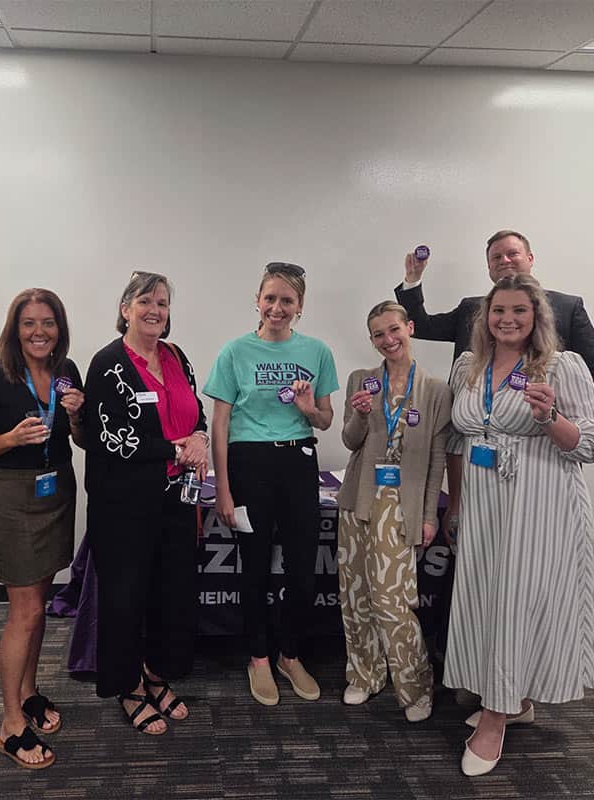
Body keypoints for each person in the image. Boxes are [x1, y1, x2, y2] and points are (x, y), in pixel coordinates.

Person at [443, 274, 594, 776]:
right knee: (488, 601)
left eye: (519, 311)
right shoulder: (469, 366)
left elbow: (586, 444)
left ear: (537, 318)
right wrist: (456, 503)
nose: (507, 319)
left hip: (539, 502)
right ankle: (514, 697)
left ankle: (494, 720)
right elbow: (460, 440)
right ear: (485, 317)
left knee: (517, 602)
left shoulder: (559, 366)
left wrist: (550, 416)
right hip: (485, 502)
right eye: (498, 311)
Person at [0, 289, 84, 769]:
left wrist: (75, 414)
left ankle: (29, 693)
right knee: (26, 612)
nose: (39, 332)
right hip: (13, 496)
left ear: (59, 328)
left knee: (41, 600)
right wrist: (10, 438)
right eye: (29, 323)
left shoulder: (66, 372)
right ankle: (10, 723)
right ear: (15, 328)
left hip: (57, 492)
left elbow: (83, 439)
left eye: (48, 323)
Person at [204, 262, 338, 706]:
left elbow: (325, 420)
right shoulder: (235, 352)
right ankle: (258, 656)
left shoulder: (317, 351)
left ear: (300, 307)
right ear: (257, 301)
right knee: (255, 565)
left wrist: (306, 407)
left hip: (299, 459)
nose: (277, 308)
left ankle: (290, 654)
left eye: (287, 300)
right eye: (270, 299)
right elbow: (219, 425)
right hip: (248, 464)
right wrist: (223, 488)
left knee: (302, 568)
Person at [84, 271, 208, 735]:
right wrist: (177, 449)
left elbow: (194, 410)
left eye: (163, 303)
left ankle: (155, 674)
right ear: (125, 309)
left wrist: (197, 436)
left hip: (175, 500)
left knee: (168, 593)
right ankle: (128, 686)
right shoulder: (108, 363)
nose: (155, 310)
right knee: (124, 597)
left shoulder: (176, 356)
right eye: (145, 301)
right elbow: (108, 438)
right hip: (124, 506)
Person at [336, 301, 451, 723]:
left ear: (409, 328)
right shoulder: (362, 380)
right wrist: (363, 416)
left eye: (394, 330)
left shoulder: (436, 390)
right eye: (379, 335)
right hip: (357, 500)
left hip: (401, 507)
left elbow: (437, 458)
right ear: (372, 340)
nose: (388, 340)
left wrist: (429, 516)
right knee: (355, 595)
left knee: (393, 601)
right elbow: (350, 441)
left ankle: (416, 686)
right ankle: (365, 674)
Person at [394, 230, 594, 376]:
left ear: (530, 258)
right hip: (473, 422)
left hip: (544, 424)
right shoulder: (470, 309)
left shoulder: (568, 307)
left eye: (512, 253)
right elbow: (419, 327)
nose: (504, 260)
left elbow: (590, 368)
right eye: (496, 257)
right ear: (489, 266)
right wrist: (413, 279)